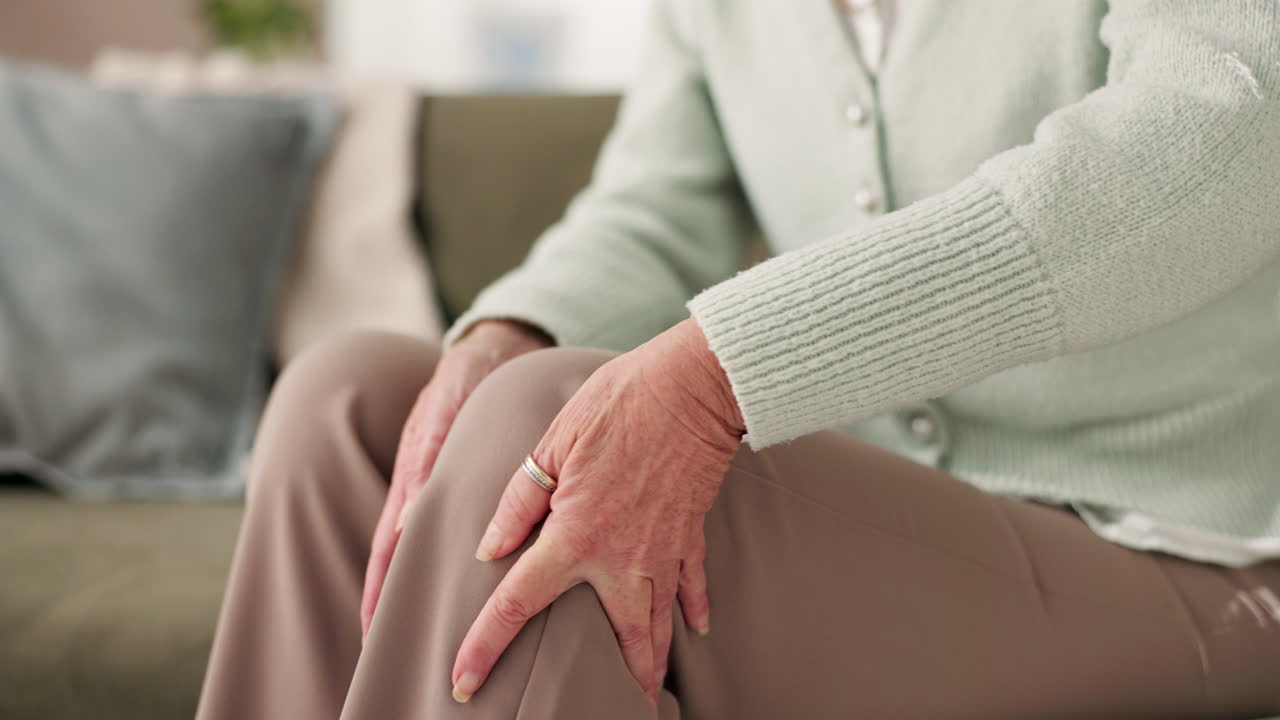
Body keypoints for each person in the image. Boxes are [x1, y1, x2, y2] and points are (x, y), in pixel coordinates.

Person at [195, 1, 1280, 717]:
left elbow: (1219, 132)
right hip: (904, 526)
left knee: (549, 424)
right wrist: (500, 330)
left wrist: (718, 373)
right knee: (345, 404)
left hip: (1186, 552)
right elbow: (656, 210)